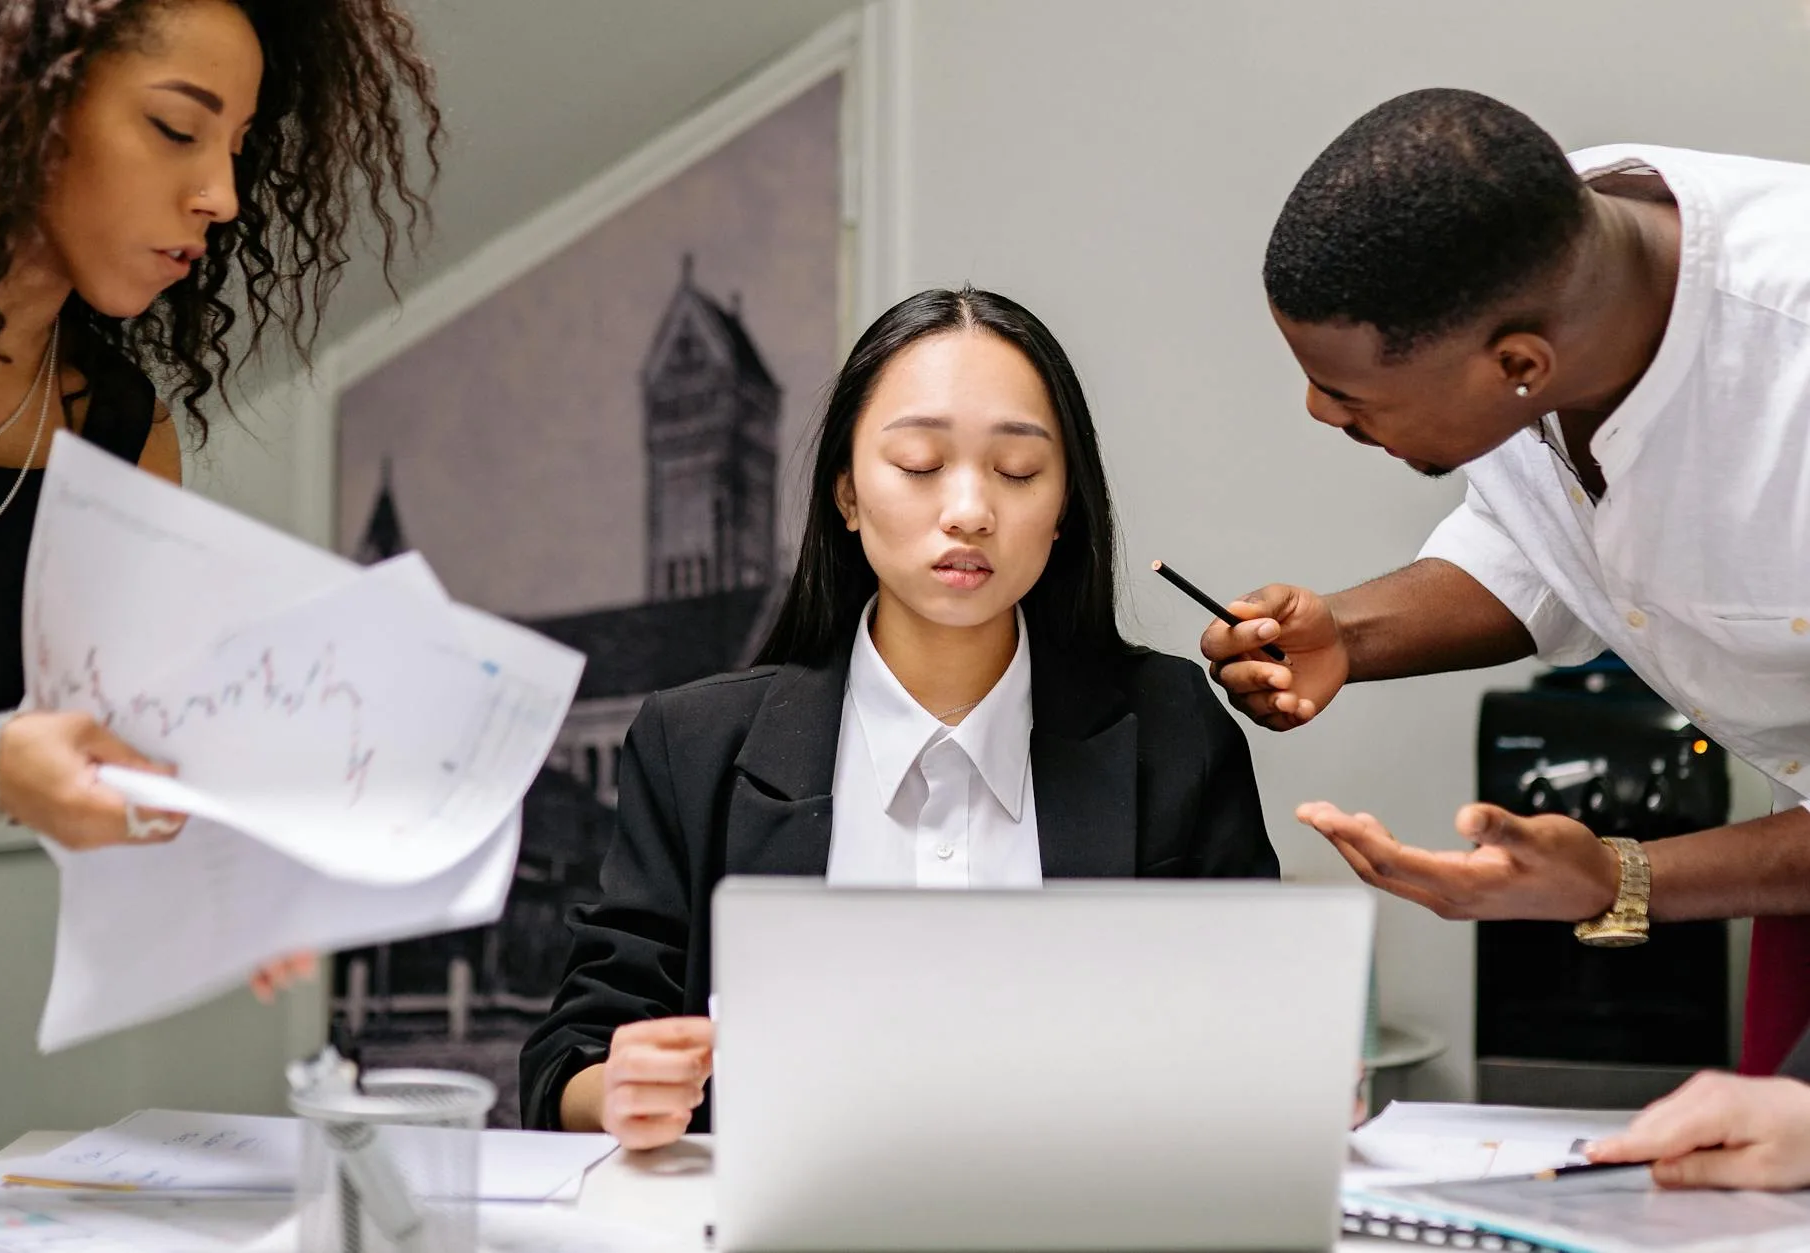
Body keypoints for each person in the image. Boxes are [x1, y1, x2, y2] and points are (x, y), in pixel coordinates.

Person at [1197, 86, 1810, 1189]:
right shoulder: (1524, 249)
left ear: (1519, 365)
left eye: (1344, 391)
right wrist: (1351, 631)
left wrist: (1620, 878)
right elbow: (1554, 542)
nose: (1315, 411)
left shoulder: (1789, 369)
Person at [521, 286, 1279, 1150]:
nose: (969, 510)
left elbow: (1258, 1029)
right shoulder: (693, 745)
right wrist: (618, 1087)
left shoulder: (1172, 727)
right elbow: (571, 1051)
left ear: (1065, 502)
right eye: (919, 463)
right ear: (846, 493)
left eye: (1019, 471)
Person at [0, 0, 440, 1160]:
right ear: (25, 109)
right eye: (176, 129)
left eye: (239, 149)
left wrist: (240, 873)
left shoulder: (122, 432)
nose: (223, 194)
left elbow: (128, 746)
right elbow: (14, 759)